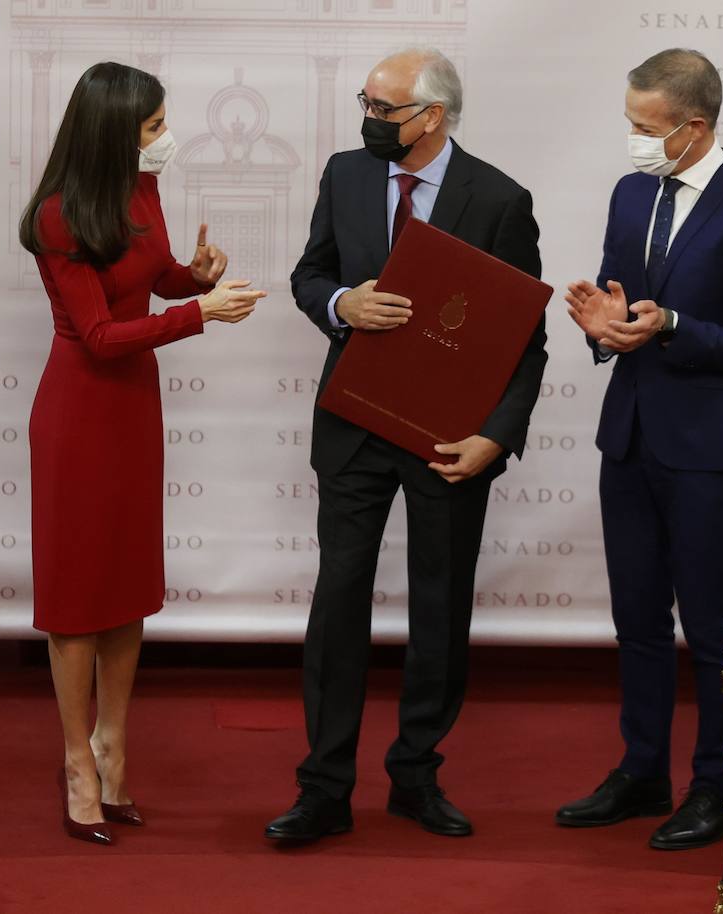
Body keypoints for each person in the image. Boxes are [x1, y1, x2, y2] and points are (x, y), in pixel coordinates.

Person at [264, 47, 547, 845]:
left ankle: (416, 775)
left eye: (384, 109)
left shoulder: (498, 199)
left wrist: (496, 436)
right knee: (339, 601)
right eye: (366, 103)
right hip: (352, 425)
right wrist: (342, 303)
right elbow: (308, 275)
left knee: (439, 605)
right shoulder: (345, 175)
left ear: (433, 117)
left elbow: (526, 338)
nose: (368, 120)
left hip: (447, 440)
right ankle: (323, 786)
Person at [19, 61, 265, 846]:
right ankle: (75, 763)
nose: (165, 139)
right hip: (80, 411)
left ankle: (114, 746)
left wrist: (189, 275)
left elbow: (148, 279)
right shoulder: (57, 215)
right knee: (76, 596)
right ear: (114, 131)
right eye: (155, 127)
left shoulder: (143, 189)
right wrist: (200, 313)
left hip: (133, 410)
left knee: (126, 587)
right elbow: (97, 335)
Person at [558, 48, 723, 850]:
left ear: (693, 128)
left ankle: (717, 784)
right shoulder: (633, 195)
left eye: (645, 128)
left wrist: (674, 327)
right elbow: (617, 301)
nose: (634, 141)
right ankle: (642, 770)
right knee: (637, 619)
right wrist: (603, 326)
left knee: (709, 620)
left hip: (708, 447)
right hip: (629, 435)